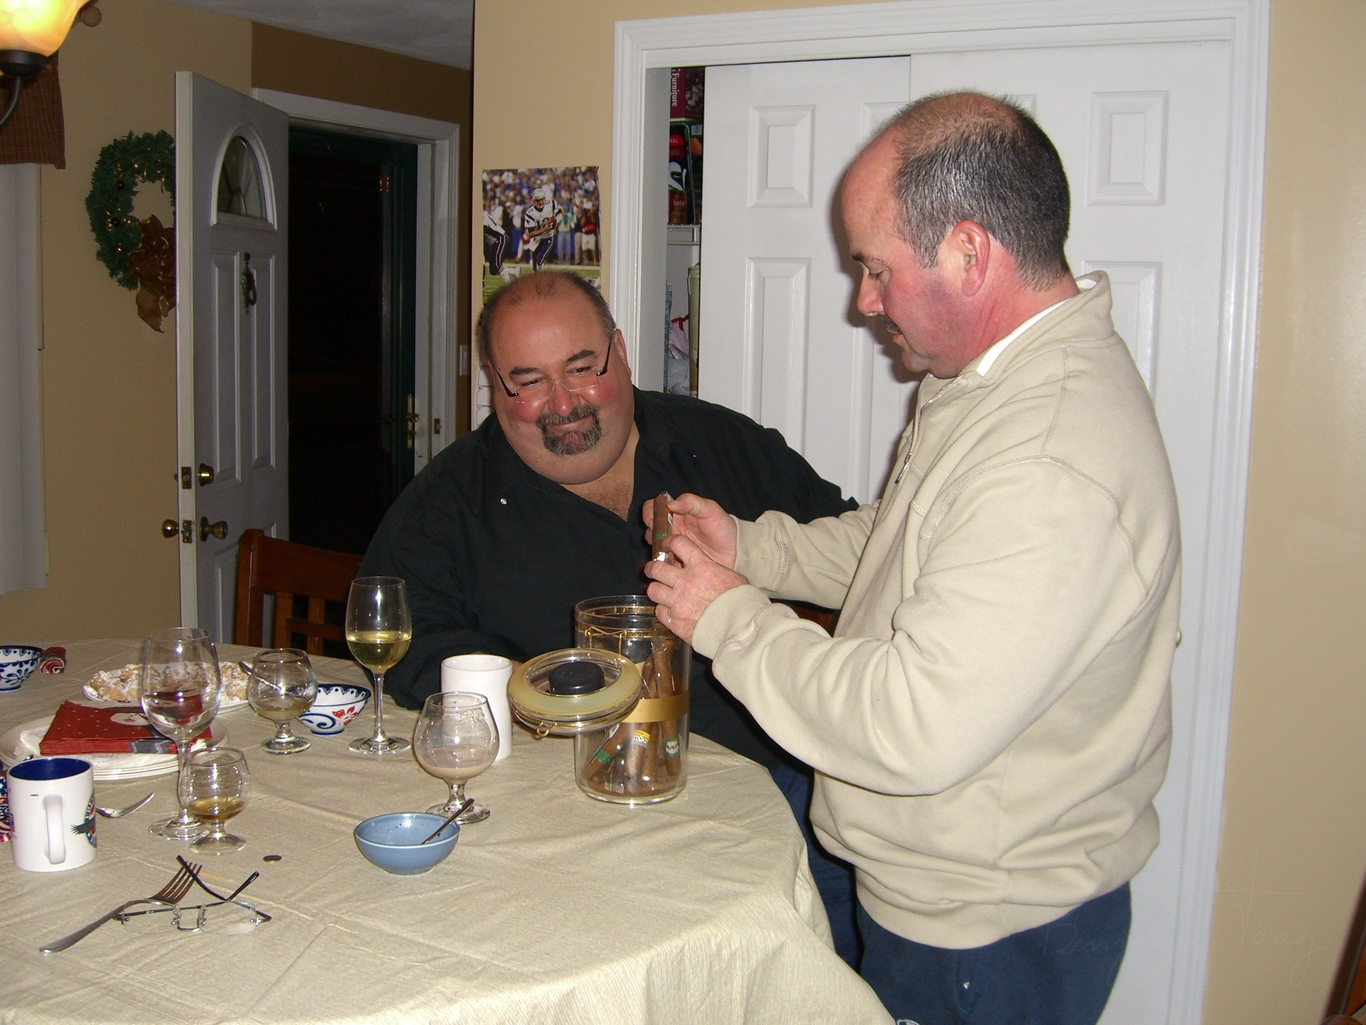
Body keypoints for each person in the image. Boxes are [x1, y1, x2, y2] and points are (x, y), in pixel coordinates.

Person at [644, 92, 1181, 1025]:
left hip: (987, 937)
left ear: (970, 252)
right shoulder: (985, 382)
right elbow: (901, 542)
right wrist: (753, 549)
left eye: (877, 268)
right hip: (937, 889)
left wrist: (728, 617)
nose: (864, 300)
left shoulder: (1049, 458)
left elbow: (912, 723)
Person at [359, 270, 864, 962]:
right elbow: (408, 642)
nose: (563, 403)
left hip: (775, 781)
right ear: (493, 384)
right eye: (528, 381)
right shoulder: (449, 501)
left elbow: (859, 559)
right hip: (566, 805)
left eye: (582, 368)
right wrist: (534, 689)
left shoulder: (722, 443)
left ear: (620, 352)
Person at [520, 186, 559, 271]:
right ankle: (538, 277)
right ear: (534, 201)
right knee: (534, 265)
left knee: (539, 261)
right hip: (536, 238)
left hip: (547, 237)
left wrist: (554, 225)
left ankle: (542, 277)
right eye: (538, 200)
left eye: (542, 199)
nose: (540, 202)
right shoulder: (530, 213)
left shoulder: (550, 205)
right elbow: (530, 234)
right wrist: (543, 230)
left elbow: (559, 215)